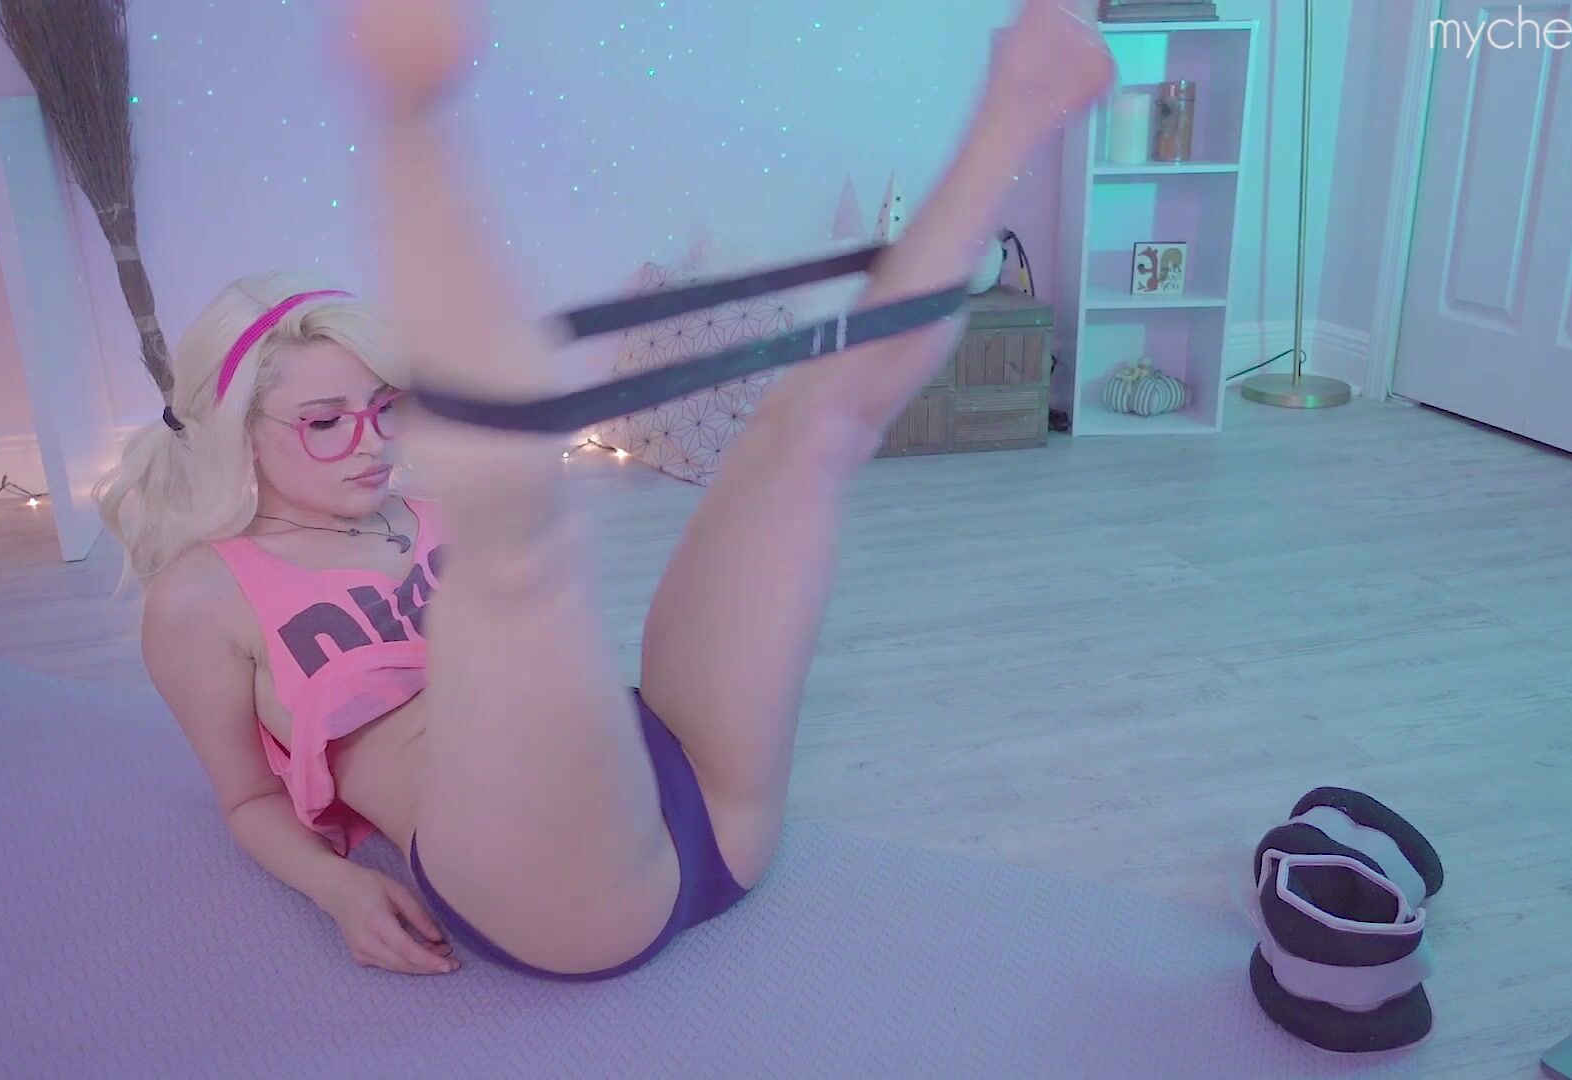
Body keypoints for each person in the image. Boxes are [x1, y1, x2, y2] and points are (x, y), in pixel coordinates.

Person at [96, 0, 1113, 981]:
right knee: (518, 537)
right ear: (238, 433)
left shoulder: (426, 514)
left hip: (694, 793)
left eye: (385, 406)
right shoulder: (204, 596)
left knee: (807, 432)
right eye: (324, 421)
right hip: (550, 887)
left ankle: (1018, 105)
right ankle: (409, 107)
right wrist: (338, 889)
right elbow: (246, 800)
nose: (371, 445)